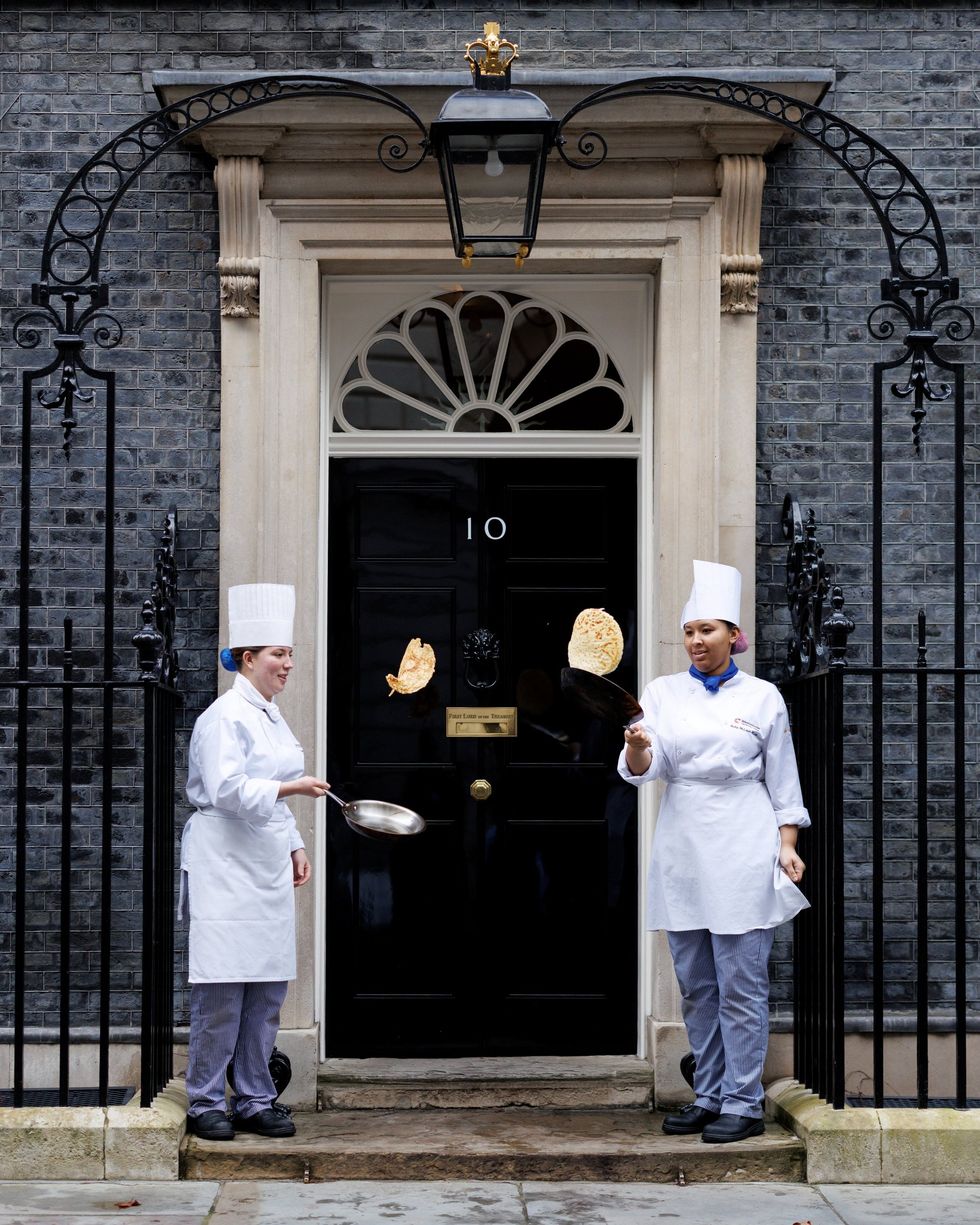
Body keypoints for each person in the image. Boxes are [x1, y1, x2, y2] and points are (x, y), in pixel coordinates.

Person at [619, 560, 809, 1144]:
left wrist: (787, 844)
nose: (697, 642)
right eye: (690, 632)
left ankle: (743, 1101)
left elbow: (783, 776)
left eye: (708, 630)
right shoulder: (662, 692)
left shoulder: (762, 696)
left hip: (743, 837)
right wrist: (636, 746)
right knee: (697, 982)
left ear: (733, 635)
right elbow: (644, 773)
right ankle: (709, 1093)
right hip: (683, 839)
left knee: (742, 983)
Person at [180, 583, 330, 1141]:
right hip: (224, 860)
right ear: (248, 659)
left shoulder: (270, 716)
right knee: (221, 990)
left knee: (267, 990)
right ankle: (204, 1101)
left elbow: (271, 797)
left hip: (263, 860)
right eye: (277, 655)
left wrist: (293, 842)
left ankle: (254, 1097)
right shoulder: (225, 717)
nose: (287, 664)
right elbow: (226, 789)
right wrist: (292, 788)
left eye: (289, 654)